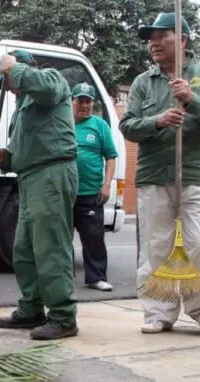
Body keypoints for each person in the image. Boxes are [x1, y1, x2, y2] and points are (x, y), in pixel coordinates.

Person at [120, 13, 200, 336]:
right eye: (150, 38)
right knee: (156, 246)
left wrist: (192, 100)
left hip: (197, 173)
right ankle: (159, 311)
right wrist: (157, 121)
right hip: (154, 174)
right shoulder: (143, 82)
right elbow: (127, 125)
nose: (152, 43)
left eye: (161, 35)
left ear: (182, 39)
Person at [0, 50, 79, 341]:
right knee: (23, 248)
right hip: (29, 177)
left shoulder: (51, 81)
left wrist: (15, 68)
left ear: (24, 69)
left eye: (11, 82)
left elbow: (47, 91)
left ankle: (63, 316)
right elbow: (22, 152)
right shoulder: (21, 107)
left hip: (52, 173)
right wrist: (4, 156)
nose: (10, 90)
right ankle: (31, 308)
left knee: (50, 246)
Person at [70, 82, 118, 291]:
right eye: (80, 100)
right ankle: (61, 278)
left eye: (88, 101)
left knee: (93, 238)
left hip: (90, 193)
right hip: (64, 193)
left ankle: (96, 277)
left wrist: (106, 185)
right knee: (60, 239)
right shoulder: (63, 123)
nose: (84, 105)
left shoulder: (99, 125)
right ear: (72, 102)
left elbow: (110, 157)